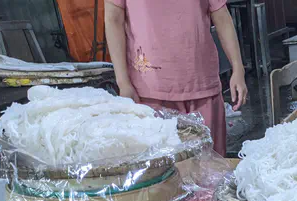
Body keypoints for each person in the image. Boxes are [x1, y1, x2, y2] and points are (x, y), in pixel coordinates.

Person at [104, 0, 248, 156]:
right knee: (162, 172)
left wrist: (238, 68)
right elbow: (113, 19)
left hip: (202, 87)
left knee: (210, 170)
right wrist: (123, 82)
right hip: (149, 93)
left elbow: (221, 16)